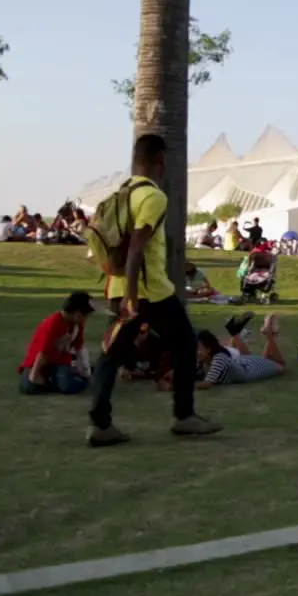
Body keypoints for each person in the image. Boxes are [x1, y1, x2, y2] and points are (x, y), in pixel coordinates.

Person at [87, 133, 222, 447]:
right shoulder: (153, 197)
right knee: (186, 344)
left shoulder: (122, 193)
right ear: (160, 163)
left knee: (111, 355)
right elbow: (135, 250)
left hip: (119, 288)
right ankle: (183, 416)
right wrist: (135, 299)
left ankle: (99, 423)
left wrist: (126, 297)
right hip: (149, 292)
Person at [19, 291, 95, 395]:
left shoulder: (76, 325)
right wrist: (34, 375)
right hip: (40, 361)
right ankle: (51, 379)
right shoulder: (53, 323)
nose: (86, 319)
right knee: (29, 387)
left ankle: (63, 378)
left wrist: (84, 369)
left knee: (68, 387)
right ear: (77, 313)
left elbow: (79, 347)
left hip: (60, 361)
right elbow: (43, 352)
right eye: (85, 315)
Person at [195, 314, 287, 389]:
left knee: (281, 366)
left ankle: (269, 335)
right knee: (269, 360)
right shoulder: (202, 361)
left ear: (209, 348)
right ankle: (269, 334)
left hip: (250, 368)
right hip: (243, 363)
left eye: (197, 348)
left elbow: (207, 384)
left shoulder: (219, 358)